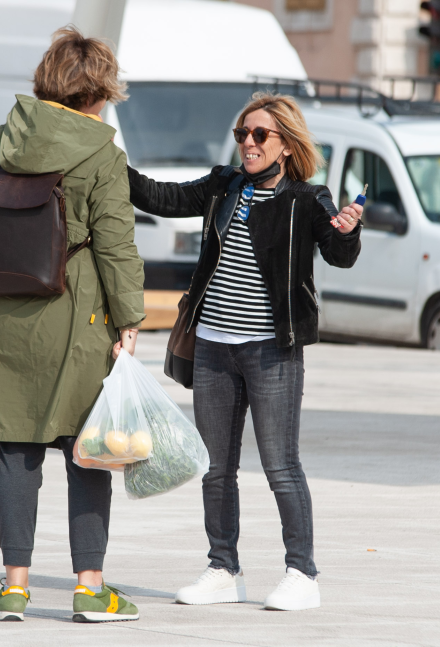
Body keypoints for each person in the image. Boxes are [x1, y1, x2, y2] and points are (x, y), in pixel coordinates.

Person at [127, 92, 363, 611]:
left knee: (281, 466)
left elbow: (339, 255)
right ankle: (222, 568)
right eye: (242, 134)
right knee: (215, 467)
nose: (248, 144)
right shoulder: (224, 187)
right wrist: (106, 160)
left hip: (271, 351)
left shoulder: (307, 198)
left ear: (285, 145)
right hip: (213, 346)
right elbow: (160, 197)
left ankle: (302, 574)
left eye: (259, 135)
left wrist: (349, 230)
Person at [0, 27, 146, 623]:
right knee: (88, 453)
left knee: (16, 455)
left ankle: (13, 589)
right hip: (78, 321)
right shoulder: (102, 154)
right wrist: (130, 320)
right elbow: (116, 245)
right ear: (95, 92)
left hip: (3, 317)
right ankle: (90, 590)